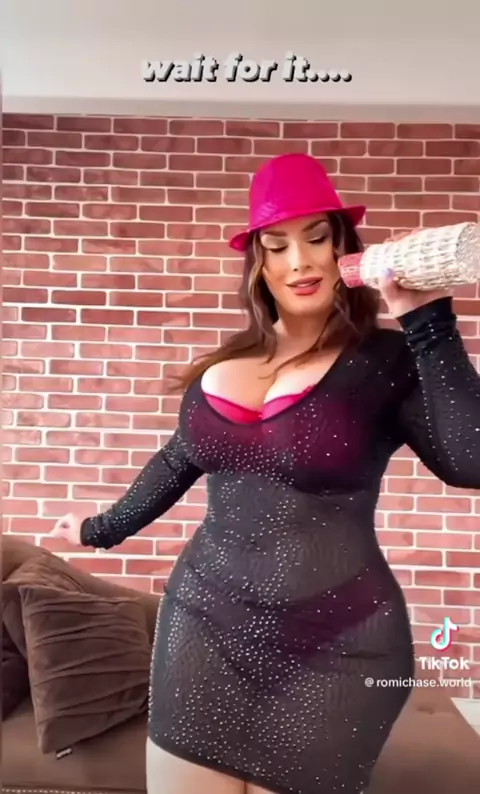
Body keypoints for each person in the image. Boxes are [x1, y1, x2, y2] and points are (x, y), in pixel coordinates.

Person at [52, 152, 480, 794]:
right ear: (258, 262)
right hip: (203, 625)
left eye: (317, 238)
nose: (299, 261)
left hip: (337, 645)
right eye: (277, 246)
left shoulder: (387, 360)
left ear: (343, 247)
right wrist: (98, 529)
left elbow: (470, 461)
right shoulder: (222, 365)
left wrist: (429, 321)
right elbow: (175, 461)